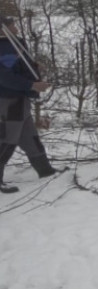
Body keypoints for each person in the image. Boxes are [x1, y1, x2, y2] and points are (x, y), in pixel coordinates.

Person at [0, 16, 57, 193]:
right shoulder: (2, 48)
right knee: (7, 139)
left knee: (29, 137)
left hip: (21, 99)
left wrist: (35, 67)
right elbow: (5, 76)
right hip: (9, 100)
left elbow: (21, 65)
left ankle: (46, 171)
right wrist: (31, 85)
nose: (16, 27)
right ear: (3, 28)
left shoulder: (16, 43)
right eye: (12, 25)